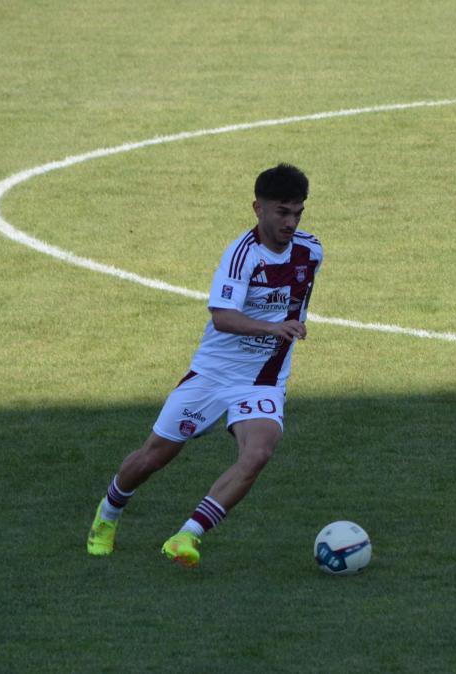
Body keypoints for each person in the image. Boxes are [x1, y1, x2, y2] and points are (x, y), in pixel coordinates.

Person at [86, 163, 322, 568]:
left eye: (298, 212)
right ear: (258, 208)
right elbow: (222, 317)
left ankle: (187, 535)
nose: (291, 222)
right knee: (153, 457)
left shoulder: (311, 251)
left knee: (258, 452)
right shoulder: (241, 255)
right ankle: (107, 515)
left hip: (263, 379)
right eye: (282, 212)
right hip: (213, 374)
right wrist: (273, 327)